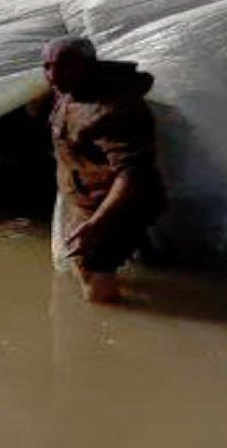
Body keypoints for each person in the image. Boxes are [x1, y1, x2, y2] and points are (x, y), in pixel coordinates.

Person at [42, 37, 166, 303]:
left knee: (93, 277)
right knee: (86, 259)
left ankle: (113, 321)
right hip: (88, 197)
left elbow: (132, 175)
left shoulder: (115, 109)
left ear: (88, 66)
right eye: (48, 67)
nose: (53, 76)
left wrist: (97, 224)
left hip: (119, 204)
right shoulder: (70, 90)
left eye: (65, 67)